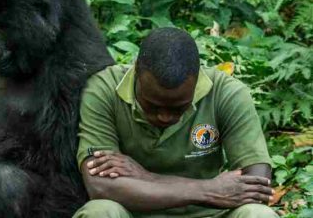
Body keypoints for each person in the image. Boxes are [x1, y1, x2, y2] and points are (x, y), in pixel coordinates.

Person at [73, 28, 278, 218]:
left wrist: (146, 177)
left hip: (207, 215)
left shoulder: (226, 93)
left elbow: (258, 186)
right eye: (152, 106)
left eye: (178, 108)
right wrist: (209, 190)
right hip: (134, 214)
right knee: (100, 211)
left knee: (259, 214)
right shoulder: (105, 90)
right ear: (137, 73)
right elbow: (100, 186)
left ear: (198, 80)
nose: (165, 117)